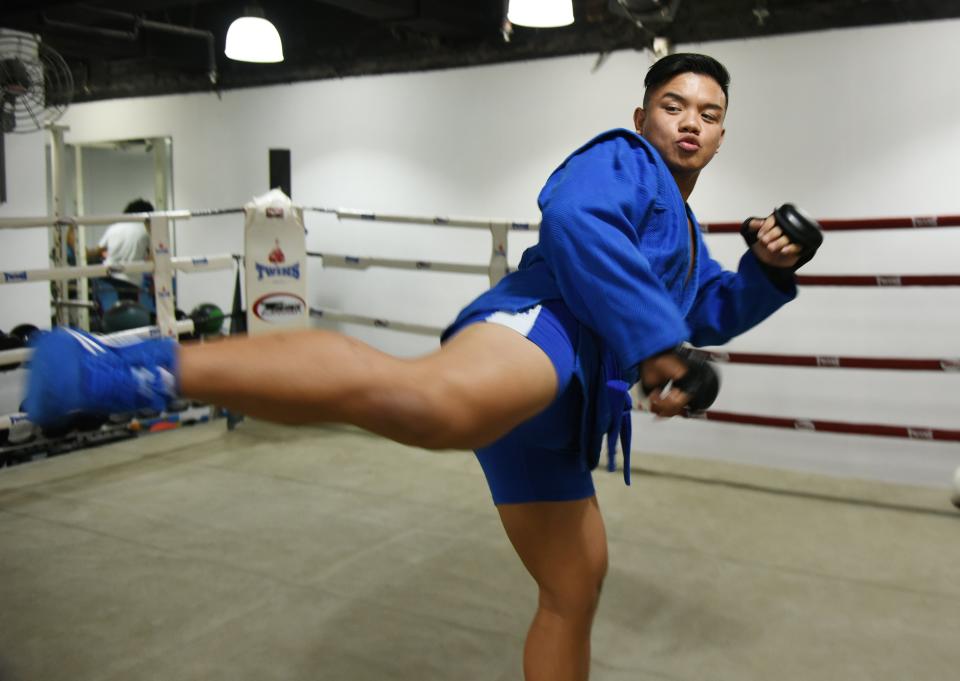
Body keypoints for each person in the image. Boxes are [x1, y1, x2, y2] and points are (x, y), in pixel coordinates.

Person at [24, 54, 819, 681]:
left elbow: (704, 307)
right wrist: (655, 346)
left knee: (574, 588)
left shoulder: (682, 226)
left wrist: (768, 271)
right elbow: (577, 218)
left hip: (575, 403)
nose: (689, 123)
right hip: (543, 327)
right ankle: (132, 369)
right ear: (641, 114)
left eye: (708, 115)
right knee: (431, 404)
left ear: (722, 137)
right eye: (673, 105)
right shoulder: (622, 162)